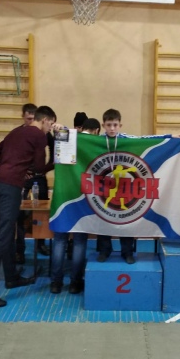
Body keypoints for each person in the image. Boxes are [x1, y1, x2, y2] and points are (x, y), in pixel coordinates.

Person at [0, 106, 61, 308]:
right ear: (45, 120)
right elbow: (40, 168)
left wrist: (11, 166)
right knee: (3, 235)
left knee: (9, 231)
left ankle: (11, 277)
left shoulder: (16, 131)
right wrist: (56, 161)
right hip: (10, 186)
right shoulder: (38, 135)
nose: (50, 128)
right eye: (50, 124)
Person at [96, 109, 176, 265]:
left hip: (124, 187)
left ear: (120, 125)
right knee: (103, 218)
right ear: (103, 125)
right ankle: (105, 250)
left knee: (126, 220)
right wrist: (62, 130)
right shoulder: (97, 141)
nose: (112, 128)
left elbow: (146, 139)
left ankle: (127, 252)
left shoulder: (126, 139)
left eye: (115, 125)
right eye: (109, 125)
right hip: (104, 188)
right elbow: (79, 139)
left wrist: (169, 137)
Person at [49, 118, 100, 294]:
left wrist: (60, 128)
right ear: (96, 131)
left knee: (59, 241)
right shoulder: (97, 143)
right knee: (79, 242)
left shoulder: (68, 137)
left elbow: (60, 131)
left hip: (62, 196)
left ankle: (55, 283)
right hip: (82, 197)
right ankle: (75, 283)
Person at [15, 105, 56, 263]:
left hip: (39, 177)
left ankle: (41, 243)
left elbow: (54, 149)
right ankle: (19, 249)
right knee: (19, 213)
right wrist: (21, 171)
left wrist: (47, 167)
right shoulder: (19, 133)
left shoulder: (45, 133)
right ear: (23, 117)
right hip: (24, 178)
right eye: (28, 119)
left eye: (33, 119)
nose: (31, 122)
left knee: (42, 212)